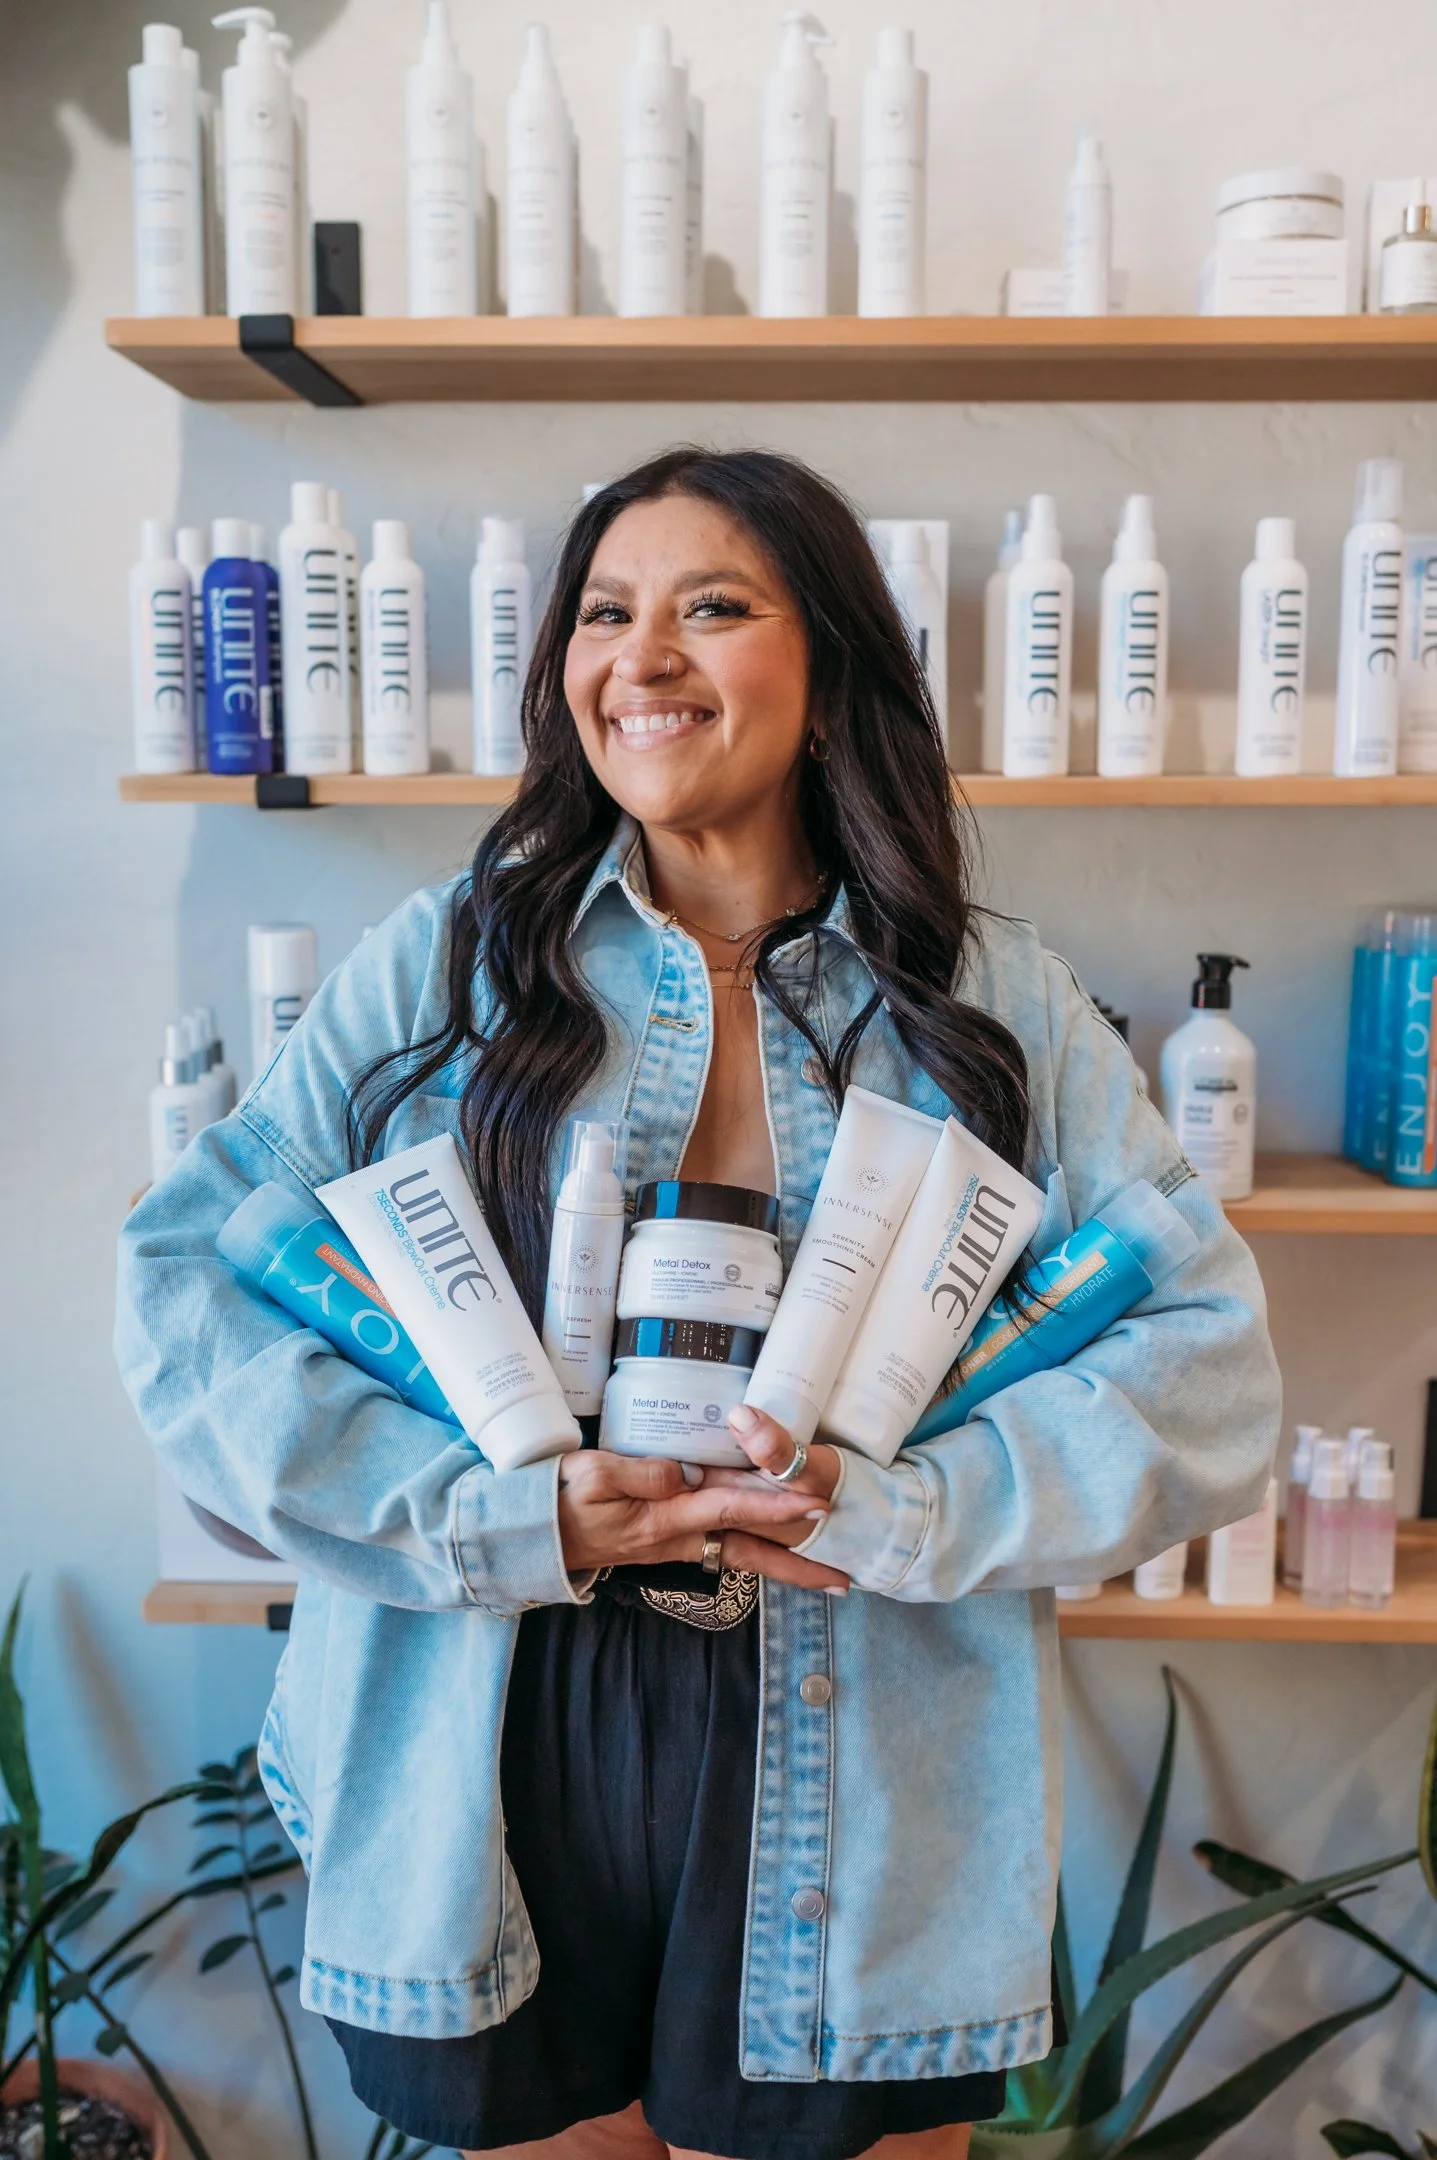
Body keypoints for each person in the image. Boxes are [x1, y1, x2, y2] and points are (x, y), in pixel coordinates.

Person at [117, 448, 1279, 2160]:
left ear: (828, 678)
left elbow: (1212, 1365)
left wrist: (909, 1510)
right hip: (493, 1733)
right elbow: (186, 1287)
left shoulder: (985, 998)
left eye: (711, 607)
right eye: (605, 612)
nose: (639, 656)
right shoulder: (450, 966)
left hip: (867, 1743)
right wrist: (486, 1513)